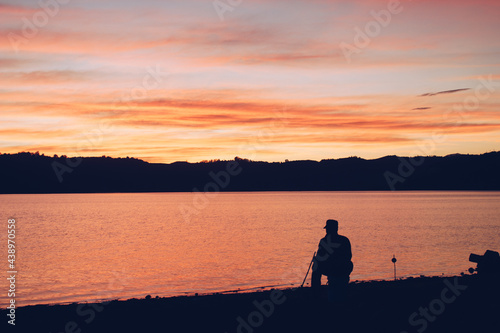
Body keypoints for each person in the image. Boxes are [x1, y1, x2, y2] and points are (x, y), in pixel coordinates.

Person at [311, 219, 353, 303]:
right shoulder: (344, 240)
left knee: (315, 268)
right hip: (345, 268)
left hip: (333, 268)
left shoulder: (324, 241)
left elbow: (320, 258)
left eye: (327, 229)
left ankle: (315, 293)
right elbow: (349, 256)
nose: (326, 231)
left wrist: (315, 260)